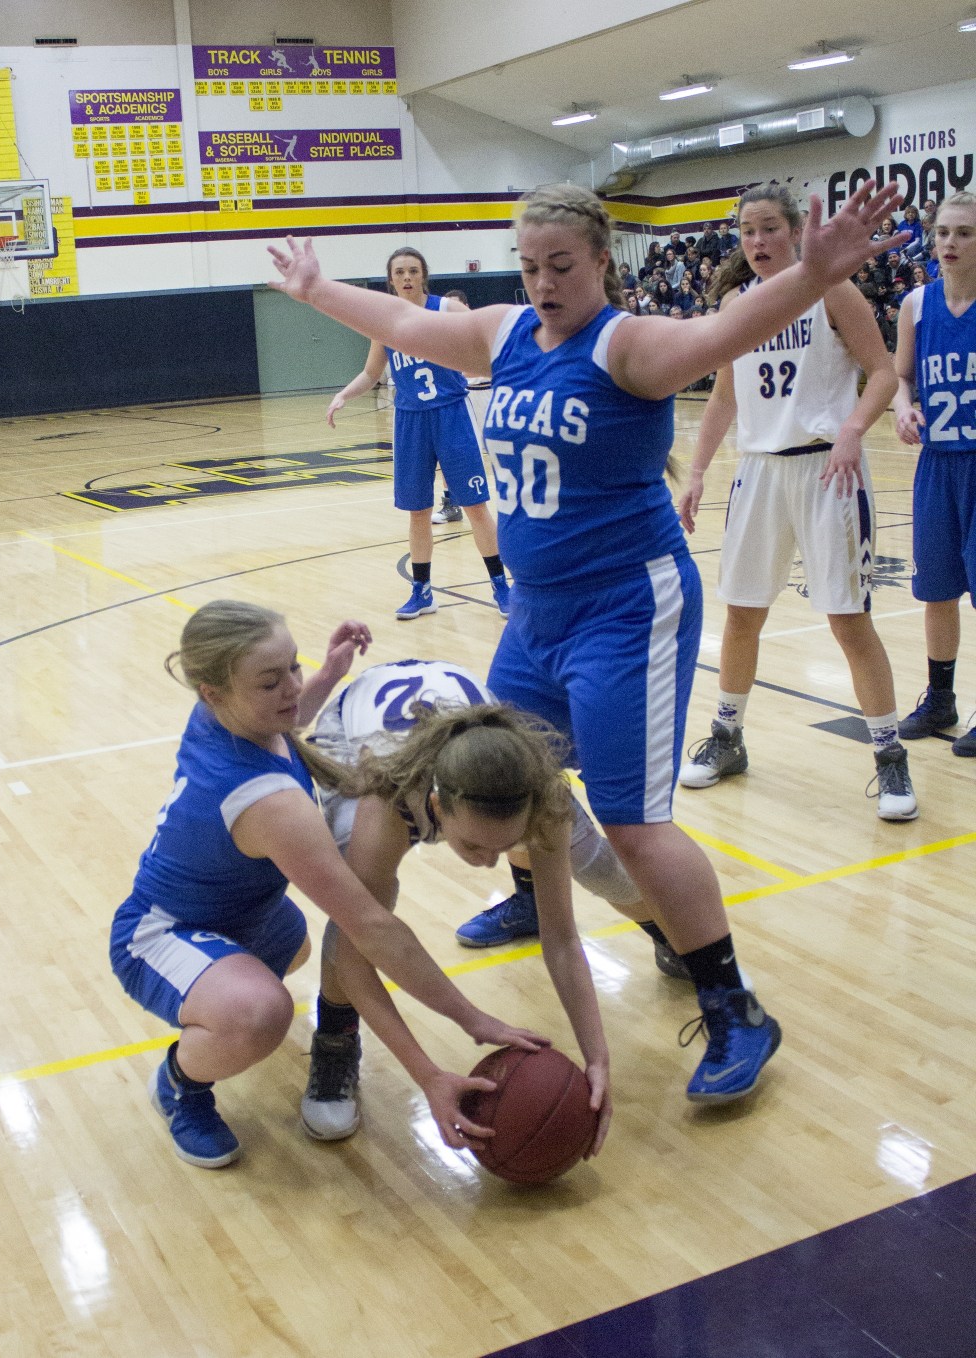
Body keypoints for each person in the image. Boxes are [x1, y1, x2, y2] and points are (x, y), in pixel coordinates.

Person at [268, 174, 905, 1105]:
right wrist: (317, 289)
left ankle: (735, 1009)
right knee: (503, 773)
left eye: (560, 265)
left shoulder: (630, 345)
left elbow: (717, 336)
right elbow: (404, 329)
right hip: (537, 614)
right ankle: (534, 897)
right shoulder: (503, 334)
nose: (542, 283)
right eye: (528, 267)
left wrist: (810, 273)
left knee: (638, 827)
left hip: (625, 610)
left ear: (602, 261)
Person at [109, 600, 544, 1167]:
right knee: (260, 1015)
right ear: (212, 691)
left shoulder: (226, 718)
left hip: (251, 921)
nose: (291, 689)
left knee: (298, 950)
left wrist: (328, 675)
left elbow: (286, 726)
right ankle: (178, 1083)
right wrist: (470, 1020)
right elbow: (372, 926)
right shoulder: (269, 803)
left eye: (293, 666)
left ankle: (224, 990)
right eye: (271, 681)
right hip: (158, 934)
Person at [300, 657, 645, 1142]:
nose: (487, 865)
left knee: (603, 869)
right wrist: (429, 1072)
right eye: (476, 846)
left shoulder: (543, 795)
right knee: (362, 916)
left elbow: (563, 940)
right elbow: (356, 958)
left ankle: (681, 942)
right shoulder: (385, 802)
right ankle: (334, 1040)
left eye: (506, 846)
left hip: (464, 734)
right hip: (356, 734)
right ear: (438, 809)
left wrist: (598, 1057)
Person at [677, 184, 917, 821]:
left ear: (795, 233)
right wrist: (697, 471)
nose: (757, 242)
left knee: (847, 619)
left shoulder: (832, 293)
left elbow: (885, 370)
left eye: (769, 230)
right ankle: (728, 736)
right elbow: (725, 396)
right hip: (758, 471)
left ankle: (890, 757)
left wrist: (851, 430)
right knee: (743, 613)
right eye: (747, 231)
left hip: (826, 471)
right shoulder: (737, 303)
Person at [326, 248, 510, 620]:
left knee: (475, 506)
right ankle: (422, 591)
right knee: (417, 511)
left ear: (423, 275)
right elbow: (371, 372)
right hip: (410, 421)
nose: (407, 277)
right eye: (400, 272)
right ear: (390, 280)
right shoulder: (385, 323)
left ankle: (501, 587)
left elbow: (487, 340)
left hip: (451, 415)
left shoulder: (447, 310)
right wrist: (343, 395)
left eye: (413, 270)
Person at [892, 192, 976, 755]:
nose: (949, 243)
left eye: (964, 233)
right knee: (937, 590)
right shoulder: (915, 305)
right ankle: (941, 696)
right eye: (943, 232)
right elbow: (899, 377)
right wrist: (903, 405)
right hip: (937, 464)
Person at [431, 288, 473, 525]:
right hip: (464, 399)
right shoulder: (442, 337)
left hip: (488, 393)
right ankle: (452, 504)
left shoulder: (475, 332)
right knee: (448, 457)